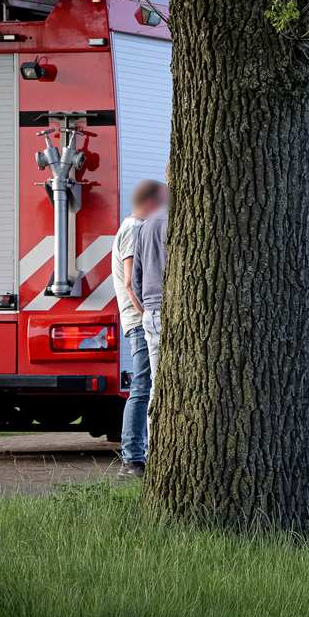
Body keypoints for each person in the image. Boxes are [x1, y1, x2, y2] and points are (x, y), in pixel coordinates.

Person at [115, 180, 166, 478]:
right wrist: (148, 313)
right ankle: (134, 456)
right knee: (143, 386)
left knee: (144, 385)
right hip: (139, 319)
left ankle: (135, 453)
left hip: (139, 317)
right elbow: (131, 283)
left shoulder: (132, 227)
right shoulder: (135, 229)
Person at [131, 182, 169, 458]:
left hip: (151, 312)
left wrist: (148, 307)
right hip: (172, 309)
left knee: (157, 384)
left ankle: (155, 451)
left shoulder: (144, 227)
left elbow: (136, 279)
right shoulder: (177, 222)